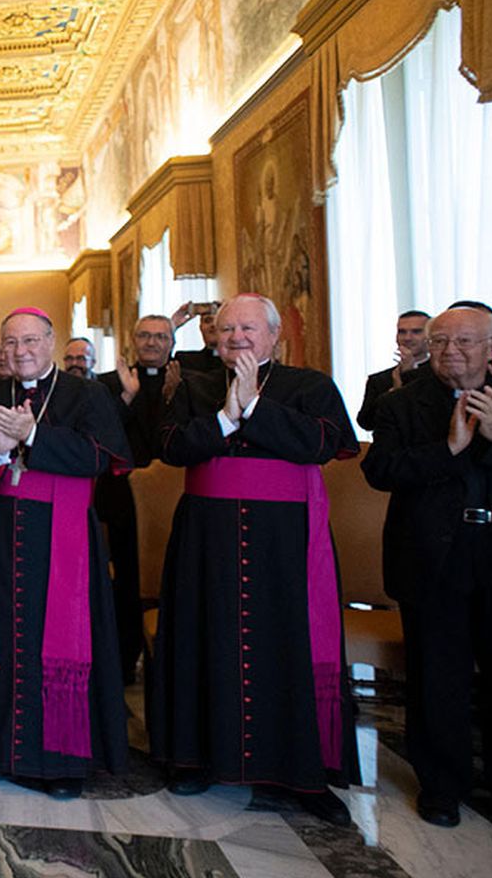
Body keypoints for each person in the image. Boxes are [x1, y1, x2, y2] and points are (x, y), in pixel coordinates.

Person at [148, 293, 359, 825]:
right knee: (203, 637)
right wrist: (225, 416)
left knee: (287, 642)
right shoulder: (194, 388)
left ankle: (302, 773)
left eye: (248, 328)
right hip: (206, 541)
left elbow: (322, 442)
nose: (237, 337)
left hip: (285, 544)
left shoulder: (311, 386)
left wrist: (256, 408)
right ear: (215, 338)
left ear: (274, 335)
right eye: (227, 330)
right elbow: (172, 447)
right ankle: (194, 759)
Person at [0, 307, 132, 798]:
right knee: (2, 636)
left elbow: (102, 456)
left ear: (51, 342)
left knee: (56, 639)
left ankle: (59, 764)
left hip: (63, 537)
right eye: (10, 343)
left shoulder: (87, 394)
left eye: (30, 341)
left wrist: (31, 437)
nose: (20, 351)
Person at [362, 305, 492, 827]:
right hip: (432, 556)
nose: (450, 351)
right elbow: (381, 470)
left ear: (490, 348)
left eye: (464, 342)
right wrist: (449, 449)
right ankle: (441, 786)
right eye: (440, 342)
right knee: (437, 674)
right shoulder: (403, 404)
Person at [95, 314, 182, 683]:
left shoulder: (187, 384)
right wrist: (128, 397)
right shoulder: (107, 384)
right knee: (127, 583)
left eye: (160, 336)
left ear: (171, 342)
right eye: (144, 336)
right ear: (133, 340)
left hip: (177, 501)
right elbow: (100, 434)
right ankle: (125, 661)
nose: (151, 343)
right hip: (121, 502)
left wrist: (171, 397)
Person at [355, 310, 431, 431]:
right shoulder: (379, 380)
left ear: (430, 336)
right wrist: (394, 392)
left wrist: (409, 377)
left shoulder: (441, 375)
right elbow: (366, 422)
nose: (407, 338)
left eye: (416, 332)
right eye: (402, 332)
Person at [172, 302, 222, 372]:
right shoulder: (185, 360)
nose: (213, 325)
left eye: (218, 321)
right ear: (200, 328)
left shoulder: (238, 360)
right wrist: (172, 325)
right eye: (208, 321)